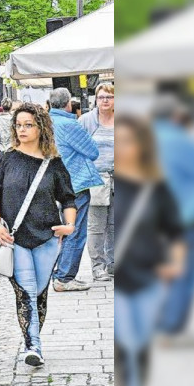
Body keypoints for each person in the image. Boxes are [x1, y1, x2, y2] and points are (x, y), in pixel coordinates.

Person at [0, 103, 78, 368]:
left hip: (46, 237)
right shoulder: (5, 159)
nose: (22, 129)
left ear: (41, 127)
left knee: (39, 292)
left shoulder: (54, 163)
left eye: (28, 125)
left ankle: (33, 338)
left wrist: (68, 225)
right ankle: (33, 346)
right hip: (14, 239)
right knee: (25, 291)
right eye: (19, 125)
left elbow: (69, 199)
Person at [112, 115, 185, 386]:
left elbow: (175, 230)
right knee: (126, 344)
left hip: (150, 276)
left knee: (142, 345)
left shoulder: (158, 186)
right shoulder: (109, 183)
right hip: (119, 276)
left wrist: (176, 264)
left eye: (128, 141)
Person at [153, 96, 194, 337]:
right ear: (175, 116)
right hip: (184, 213)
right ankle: (172, 324)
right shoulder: (181, 140)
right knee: (184, 269)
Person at [46, 87, 101, 293]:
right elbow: (92, 151)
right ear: (68, 103)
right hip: (74, 181)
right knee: (75, 229)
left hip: (52, 183)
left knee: (58, 230)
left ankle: (56, 272)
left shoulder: (45, 123)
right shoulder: (69, 124)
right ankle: (65, 277)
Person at [79, 83, 115, 282]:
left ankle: (113, 263)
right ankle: (98, 266)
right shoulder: (86, 121)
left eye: (109, 97)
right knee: (96, 225)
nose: (105, 101)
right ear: (96, 99)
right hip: (96, 178)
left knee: (116, 223)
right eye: (101, 97)